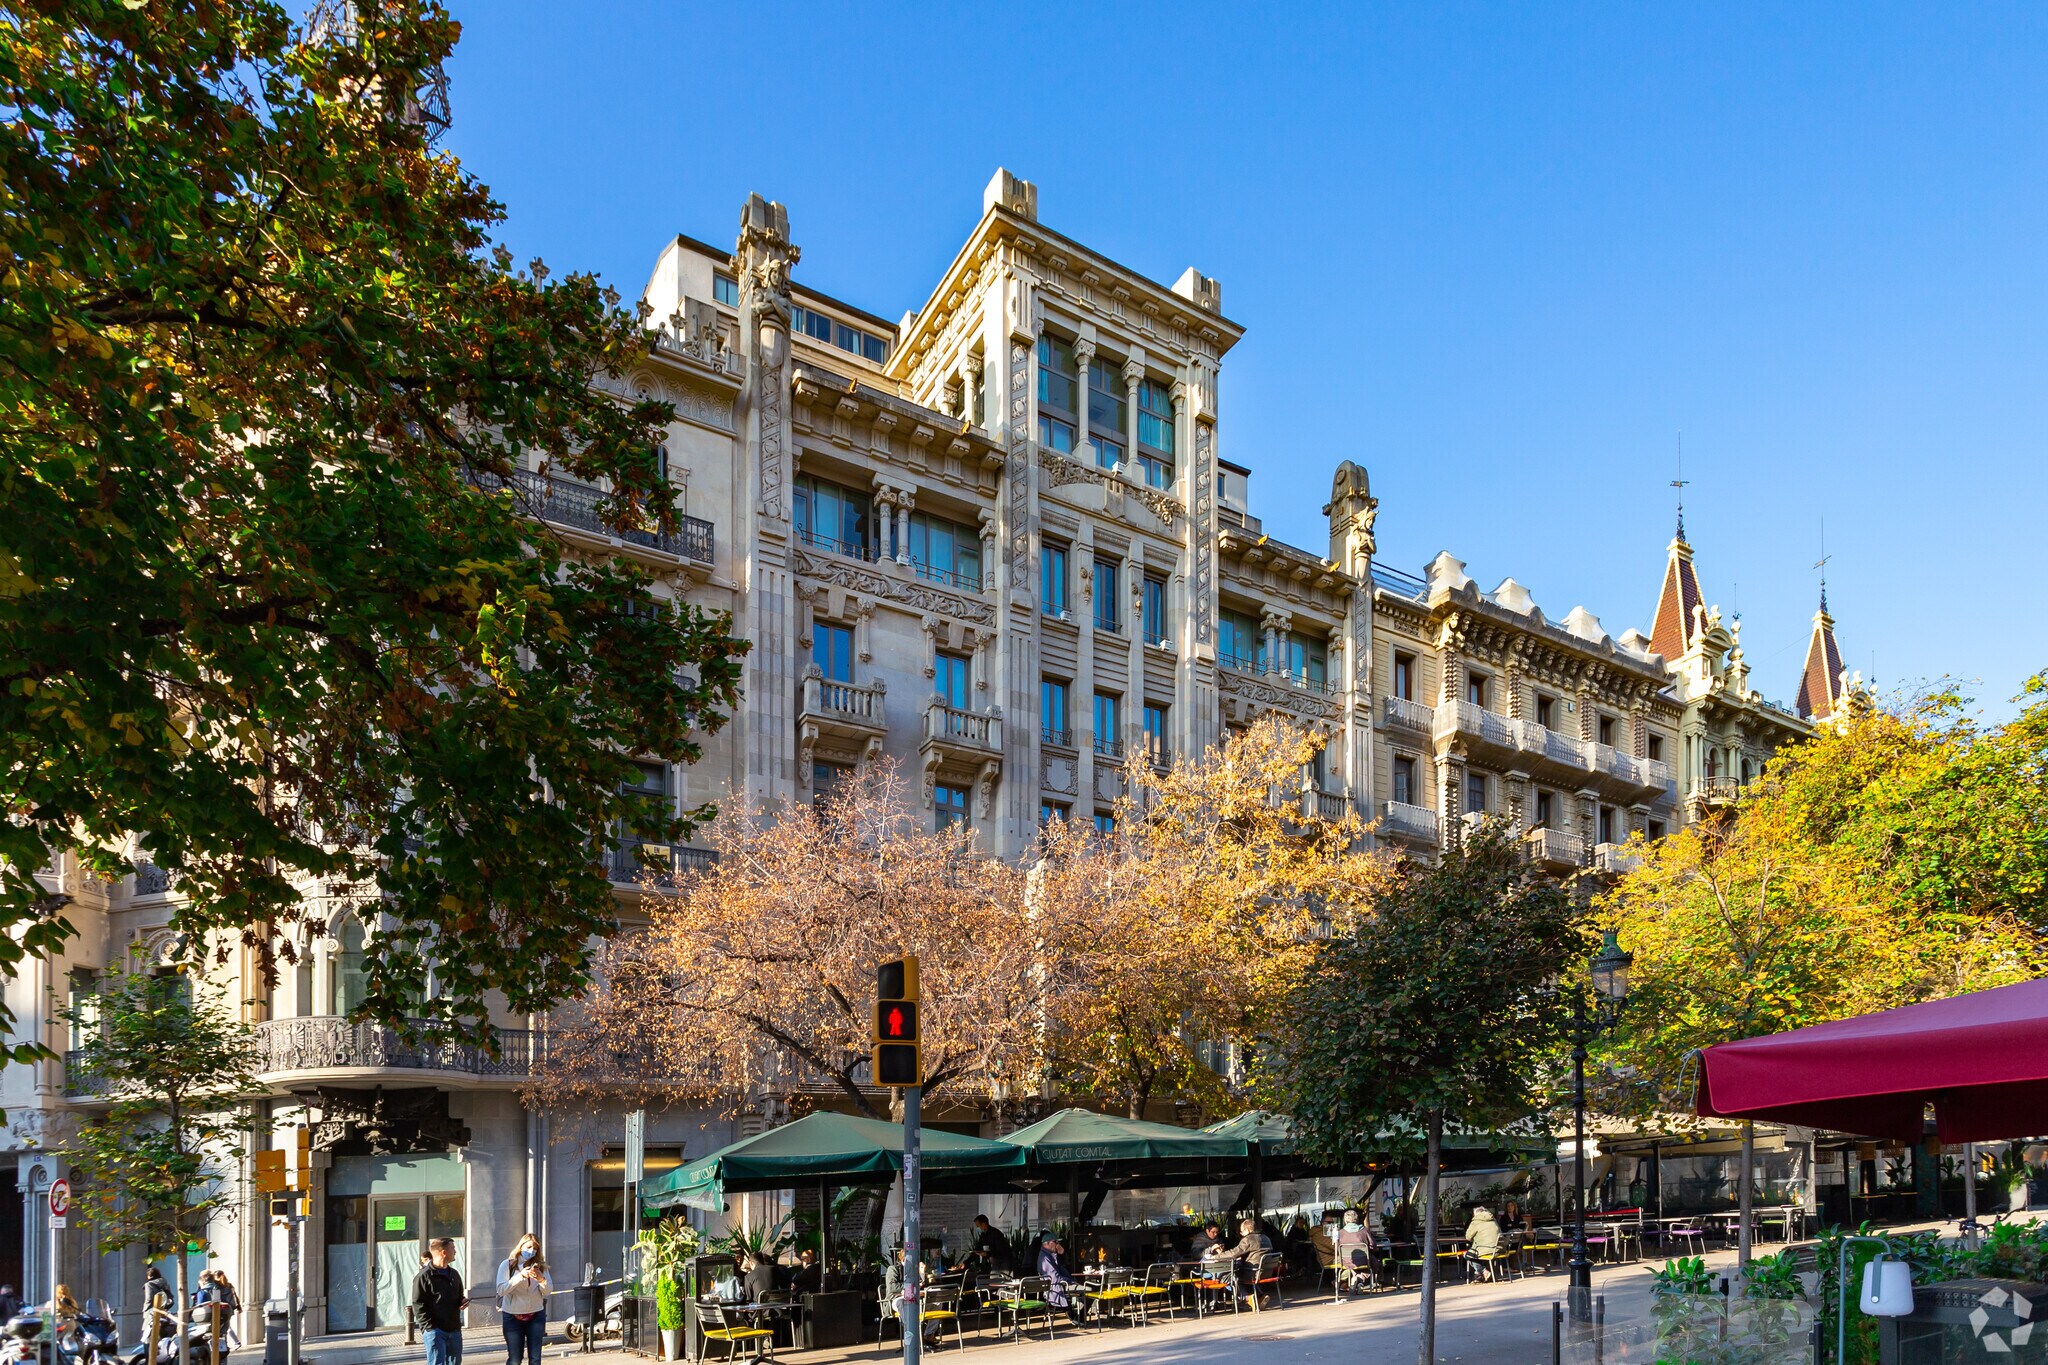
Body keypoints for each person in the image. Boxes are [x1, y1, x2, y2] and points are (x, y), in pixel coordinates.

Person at [493, 1233, 549, 1365]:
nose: (531, 1251)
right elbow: (501, 1290)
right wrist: (520, 1276)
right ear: (520, 1246)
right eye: (528, 1247)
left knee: (535, 1358)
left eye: (535, 1248)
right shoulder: (507, 1265)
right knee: (515, 1359)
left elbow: (548, 1291)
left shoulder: (540, 1266)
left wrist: (541, 1279)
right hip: (512, 1316)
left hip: (536, 1314)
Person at [413, 1237, 468, 1365]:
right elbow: (418, 1304)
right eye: (453, 1248)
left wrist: (462, 1301)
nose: (455, 1251)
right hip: (435, 1331)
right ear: (443, 1252)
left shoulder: (454, 1274)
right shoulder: (424, 1276)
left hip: (454, 1329)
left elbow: (459, 1296)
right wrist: (429, 1328)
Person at [1209, 1217, 1272, 1305]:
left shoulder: (1248, 1239)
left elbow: (1234, 1253)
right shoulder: (1266, 1238)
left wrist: (1216, 1257)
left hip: (1252, 1272)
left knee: (1228, 1276)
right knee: (1238, 1272)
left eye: (1242, 1231)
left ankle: (1247, 1298)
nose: (1241, 1234)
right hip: (1266, 1271)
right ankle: (1260, 1296)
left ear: (1248, 1230)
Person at [1035, 1234, 1086, 1326]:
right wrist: (1071, 1281)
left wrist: (1061, 1253)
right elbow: (1055, 1278)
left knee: (1085, 1288)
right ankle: (1078, 1317)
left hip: (1061, 1284)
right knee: (1087, 1290)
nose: (1057, 1244)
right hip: (1056, 1288)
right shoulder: (1045, 1258)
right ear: (1048, 1243)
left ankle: (1077, 1317)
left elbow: (1063, 1268)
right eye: (1056, 1242)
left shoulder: (1050, 1254)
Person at [1335, 1209, 1374, 1296]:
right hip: (1363, 1260)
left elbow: (1337, 1248)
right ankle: (1359, 1279)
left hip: (1346, 1261)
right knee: (1374, 1263)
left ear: (1345, 1220)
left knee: (1352, 1265)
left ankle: (1355, 1279)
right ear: (1356, 1219)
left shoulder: (1340, 1233)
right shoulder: (1364, 1230)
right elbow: (1373, 1246)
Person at [1464, 1206, 1505, 1280]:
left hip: (1486, 1250)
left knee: (1467, 1255)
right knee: (1476, 1254)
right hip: (1499, 1249)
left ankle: (1483, 1271)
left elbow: (1468, 1237)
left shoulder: (1475, 1221)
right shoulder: (1493, 1220)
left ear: (1475, 1214)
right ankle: (1479, 1275)